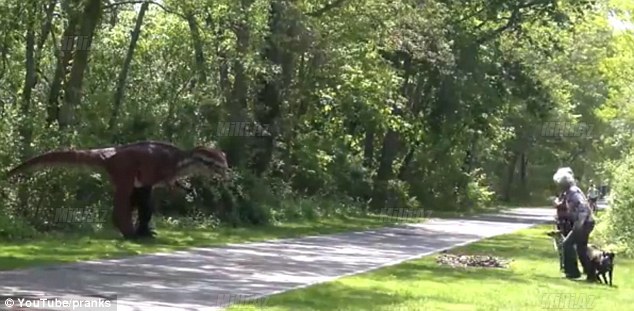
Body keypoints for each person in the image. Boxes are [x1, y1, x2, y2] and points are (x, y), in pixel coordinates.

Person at [552, 167, 596, 281]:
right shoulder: (569, 192)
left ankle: (572, 273)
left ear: (564, 183)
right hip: (585, 222)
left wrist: (578, 225)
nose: (559, 186)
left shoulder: (573, 192)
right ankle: (591, 274)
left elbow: (583, 209)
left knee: (567, 244)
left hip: (584, 222)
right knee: (581, 249)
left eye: (560, 183)